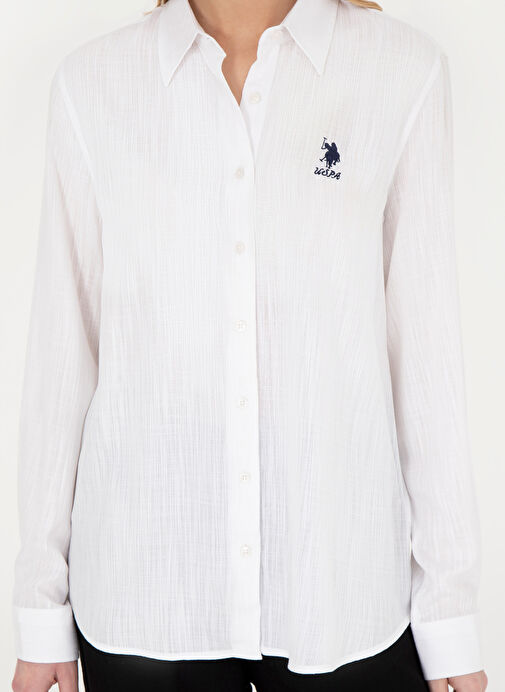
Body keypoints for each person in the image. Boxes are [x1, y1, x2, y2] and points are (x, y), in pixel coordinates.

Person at [11, 0, 489, 690]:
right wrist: (40, 603)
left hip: (337, 593)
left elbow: (425, 356)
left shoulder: (401, 72)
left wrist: (448, 612)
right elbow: (63, 357)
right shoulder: (93, 85)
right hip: (147, 594)